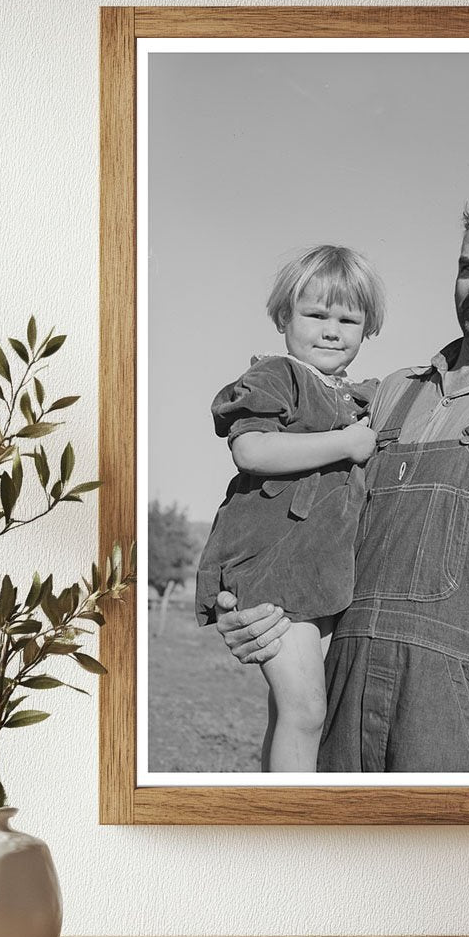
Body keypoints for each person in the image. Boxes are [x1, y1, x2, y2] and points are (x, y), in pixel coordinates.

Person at [215, 196, 469, 772]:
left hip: (452, 706)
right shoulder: (383, 396)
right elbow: (301, 519)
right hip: (344, 687)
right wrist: (259, 615)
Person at [194, 245, 383, 771]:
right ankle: (293, 821)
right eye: (316, 314)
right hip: (273, 566)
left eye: (348, 319)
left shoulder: (355, 397)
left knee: (289, 710)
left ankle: (274, 800)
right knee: (305, 712)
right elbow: (251, 448)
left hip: (317, 576)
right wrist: (346, 444)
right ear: (283, 317)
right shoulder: (279, 375)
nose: (331, 330)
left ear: (366, 330)